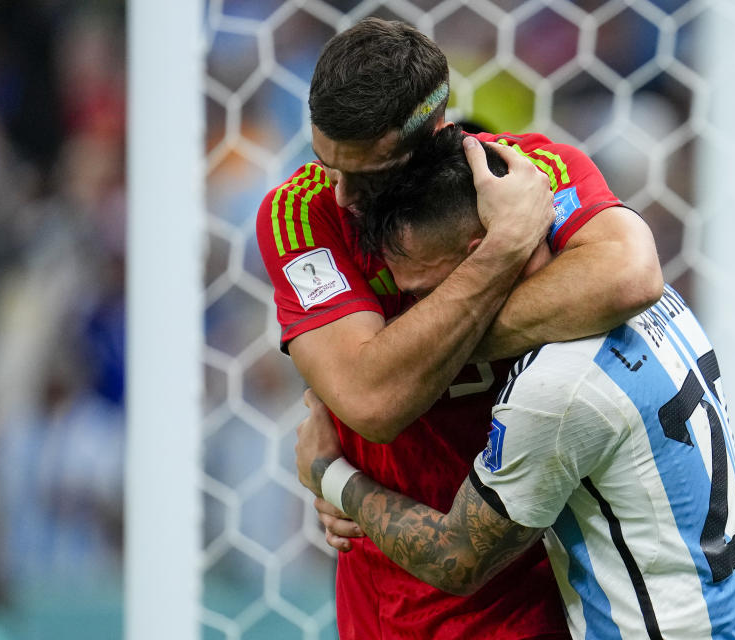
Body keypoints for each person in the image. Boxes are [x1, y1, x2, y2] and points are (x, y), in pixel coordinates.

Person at [256, 17, 664, 639]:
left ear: (434, 135)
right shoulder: (301, 212)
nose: (340, 195)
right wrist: (503, 255)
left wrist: (398, 358)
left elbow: (631, 274)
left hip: (544, 604)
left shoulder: (525, 172)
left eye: (367, 174)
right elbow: (373, 400)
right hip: (386, 611)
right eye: (326, 162)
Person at [295, 126, 735, 639]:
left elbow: (456, 557)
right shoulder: (649, 300)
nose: (422, 313)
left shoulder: (555, 386)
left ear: (484, 253)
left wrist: (330, 475)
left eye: (428, 290)